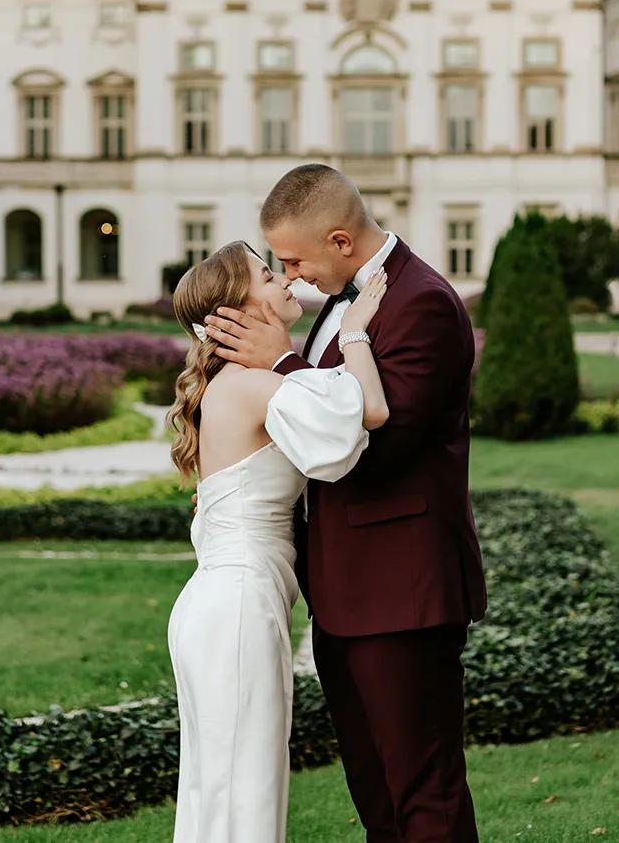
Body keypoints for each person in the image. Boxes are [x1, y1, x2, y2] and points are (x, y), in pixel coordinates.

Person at [204, 163, 485, 843]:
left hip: (402, 591)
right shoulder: (342, 301)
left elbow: (374, 450)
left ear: (339, 241)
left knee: (424, 796)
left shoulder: (421, 303)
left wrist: (282, 365)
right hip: (344, 594)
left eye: (295, 260)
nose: (291, 276)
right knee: (377, 795)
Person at [166, 240, 391, 843]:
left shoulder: (235, 384)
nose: (285, 281)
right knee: (244, 790)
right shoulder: (251, 385)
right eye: (268, 276)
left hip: (221, 602)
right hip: (237, 608)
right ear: (240, 310)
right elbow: (367, 411)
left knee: (221, 790)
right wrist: (356, 331)